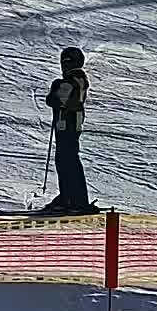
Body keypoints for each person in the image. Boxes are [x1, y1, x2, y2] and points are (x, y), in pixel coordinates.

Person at [39, 47, 91, 215]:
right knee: (65, 160)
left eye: (67, 62)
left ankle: (76, 200)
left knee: (68, 160)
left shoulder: (72, 80)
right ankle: (68, 196)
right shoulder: (75, 79)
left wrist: (55, 92)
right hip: (68, 123)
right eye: (64, 62)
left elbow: (58, 101)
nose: (64, 65)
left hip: (68, 124)